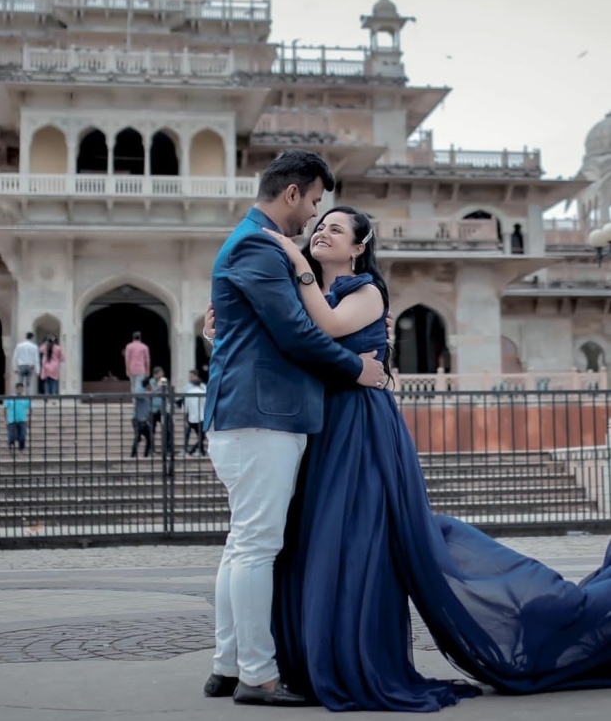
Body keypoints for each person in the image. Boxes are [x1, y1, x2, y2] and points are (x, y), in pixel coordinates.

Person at [252, 205, 611, 712]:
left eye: (336, 229)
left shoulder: (364, 291)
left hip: (359, 425)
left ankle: (563, 618)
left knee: (360, 539)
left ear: (358, 247)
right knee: (319, 538)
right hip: (323, 424)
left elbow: (328, 328)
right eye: (319, 227)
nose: (320, 233)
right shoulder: (311, 290)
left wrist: (294, 260)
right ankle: (314, 659)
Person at [200, 150, 390, 708]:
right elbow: (299, 334)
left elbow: (271, 326)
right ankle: (257, 675)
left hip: (254, 416)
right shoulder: (261, 244)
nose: (312, 217)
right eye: (313, 202)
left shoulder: (254, 242)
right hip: (263, 417)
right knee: (257, 546)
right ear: (292, 194)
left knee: (243, 544)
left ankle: (227, 664)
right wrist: (358, 367)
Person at [182, 368, 206, 456]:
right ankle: (195, 450)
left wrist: (185, 418)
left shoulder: (189, 392)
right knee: (201, 436)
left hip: (191, 417)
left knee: (195, 435)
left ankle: (197, 450)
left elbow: (185, 406)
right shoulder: (203, 391)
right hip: (201, 417)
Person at [3, 382, 31, 455]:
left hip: (22, 420)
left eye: (21, 389)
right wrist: (5, 419)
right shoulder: (10, 397)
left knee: (22, 435)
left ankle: (21, 449)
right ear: (16, 389)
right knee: (12, 436)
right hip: (12, 419)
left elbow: (30, 408)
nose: (20, 390)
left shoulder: (25, 398)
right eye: (19, 389)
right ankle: (9, 445)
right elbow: (5, 408)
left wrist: (29, 419)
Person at [130, 376, 153, 458]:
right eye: (150, 384)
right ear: (147, 385)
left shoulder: (148, 395)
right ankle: (133, 455)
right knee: (137, 437)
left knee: (149, 437)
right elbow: (138, 396)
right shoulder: (141, 390)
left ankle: (146, 455)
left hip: (144, 420)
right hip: (137, 419)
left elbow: (148, 407)